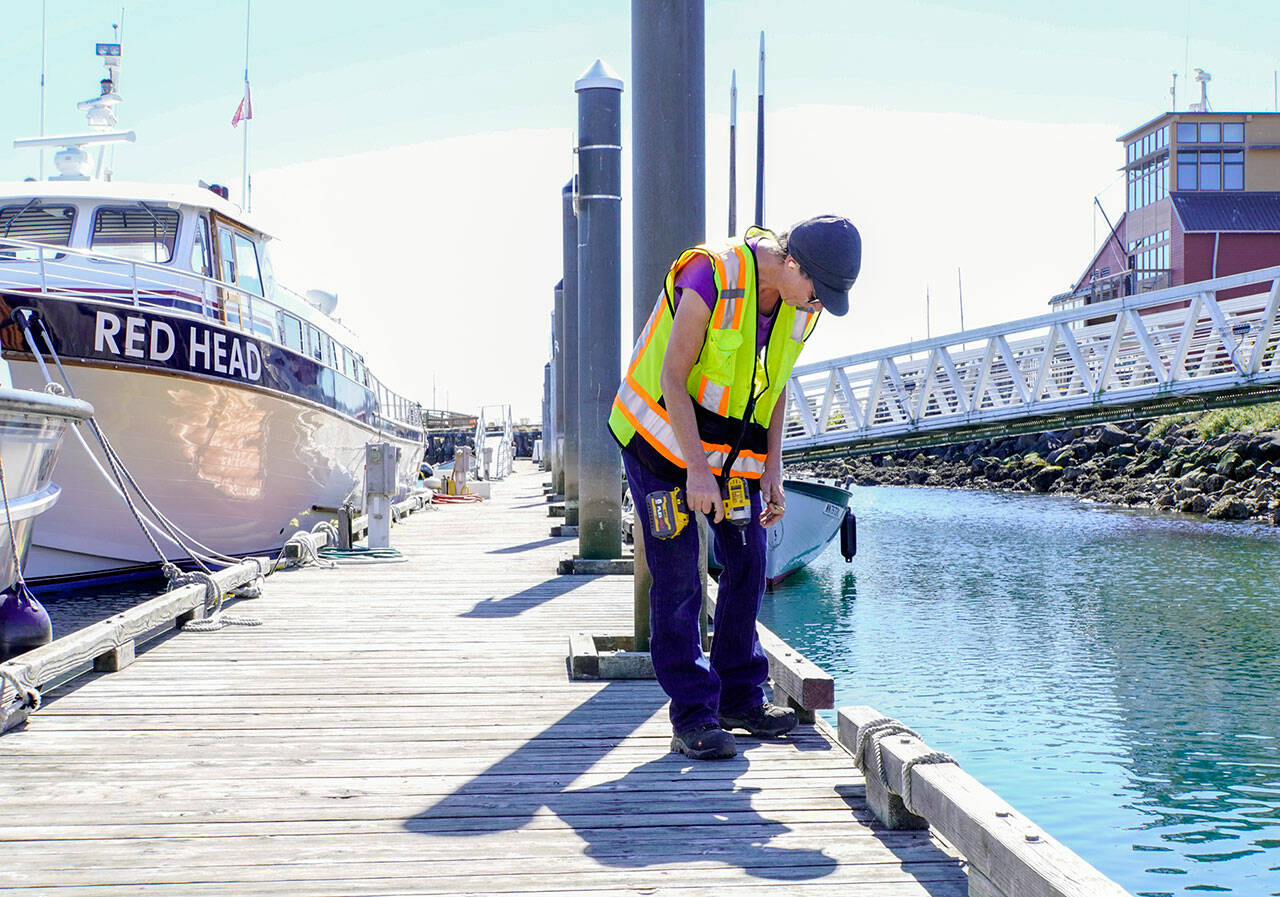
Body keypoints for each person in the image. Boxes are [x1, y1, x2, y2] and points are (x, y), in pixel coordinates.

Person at [609, 215, 861, 760]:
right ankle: (693, 716)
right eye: (819, 292)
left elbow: (775, 387)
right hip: (658, 445)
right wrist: (695, 470)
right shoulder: (711, 274)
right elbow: (673, 379)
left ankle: (740, 696)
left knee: (748, 562)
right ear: (793, 264)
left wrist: (772, 466)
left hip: (732, 456)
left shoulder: (798, 311)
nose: (819, 305)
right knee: (678, 576)